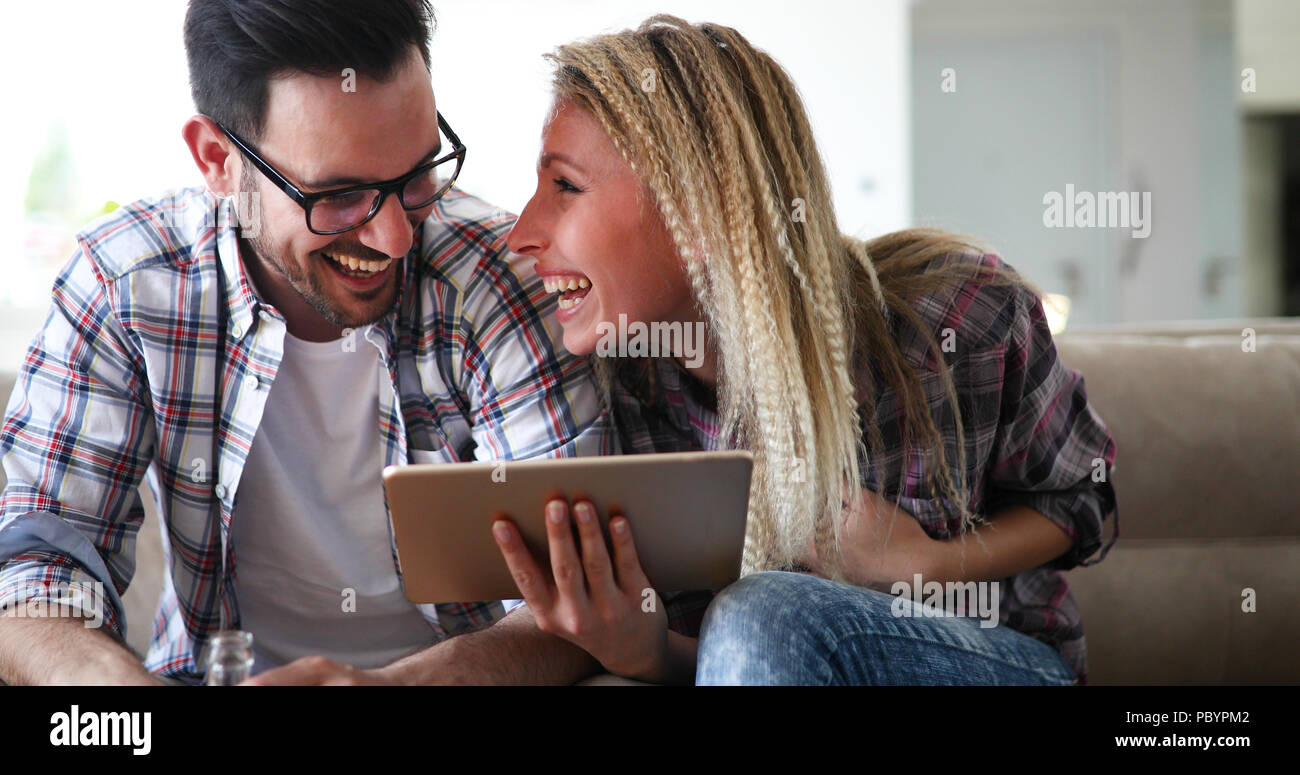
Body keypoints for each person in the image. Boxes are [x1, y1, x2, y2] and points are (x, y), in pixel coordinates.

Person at [0, 0, 614, 685]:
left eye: (415, 176)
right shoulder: (123, 285)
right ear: (218, 160)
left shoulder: (499, 279)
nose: (396, 238)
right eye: (341, 194)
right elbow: (39, 572)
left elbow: (579, 604)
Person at [493, 15, 1119, 685]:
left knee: (761, 612)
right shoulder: (628, 387)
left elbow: (1080, 498)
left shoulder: (961, 312)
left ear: (698, 211)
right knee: (758, 617)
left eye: (564, 186)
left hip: (1000, 664)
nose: (522, 234)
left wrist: (932, 563)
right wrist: (645, 651)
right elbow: (737, 661)